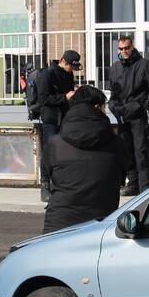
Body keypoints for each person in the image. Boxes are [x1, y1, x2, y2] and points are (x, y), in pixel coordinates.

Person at [43, 85, 132, 234]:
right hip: (101, 224)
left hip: (59, 224)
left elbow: (50, 175)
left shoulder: (54, 143)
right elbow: (121, 176)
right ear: (98, 107)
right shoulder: (117, 144)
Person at [107, 36, 149, 197]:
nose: (124, 51)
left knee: (141, 150)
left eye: (127, 48)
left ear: (132, 47)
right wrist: (114, 106)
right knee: (126, 150)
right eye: (121, 49)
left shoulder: (144, 65)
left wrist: (144, 106)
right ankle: (133, 183)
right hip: (122, 115)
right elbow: (114, 93)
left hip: (137, 114)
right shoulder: (115, 67)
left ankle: (144, 185)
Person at [36, 50, 80, 201]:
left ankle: (60, 183)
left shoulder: (68, 74)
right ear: (62, 61)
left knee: (63, 150)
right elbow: (44, 99)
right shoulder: (47, 74)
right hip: (50, 118)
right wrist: (64, 97)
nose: (70, 69)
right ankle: (45, 184)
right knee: (49, 150)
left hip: (64, 117)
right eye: (69, 65)